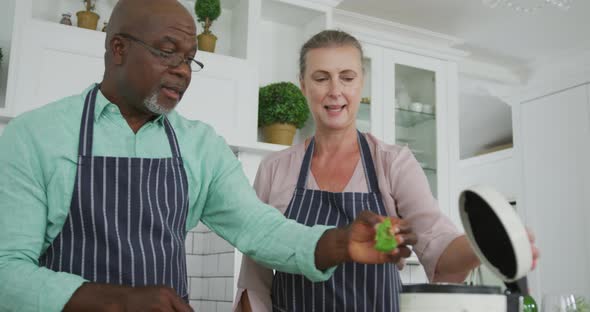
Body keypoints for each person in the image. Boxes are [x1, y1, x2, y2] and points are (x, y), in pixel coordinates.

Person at [0, 3, 416, 312]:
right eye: (168, 51)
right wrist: (116, 301)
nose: (182, 70)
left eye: (188, 58)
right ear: (118, 49)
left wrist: (337, 242)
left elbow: (259, 229)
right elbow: (6, 271)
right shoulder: (34, 136)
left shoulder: (200, 146)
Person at [233, 30, 540, 312]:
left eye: (347, 77)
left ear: (361, 82)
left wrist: (487, 243)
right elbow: (255, 280)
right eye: (321, 77)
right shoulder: (275, 169)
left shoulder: (393, 163)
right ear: (303, 84)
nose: (335, 90)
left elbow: (439, 250)